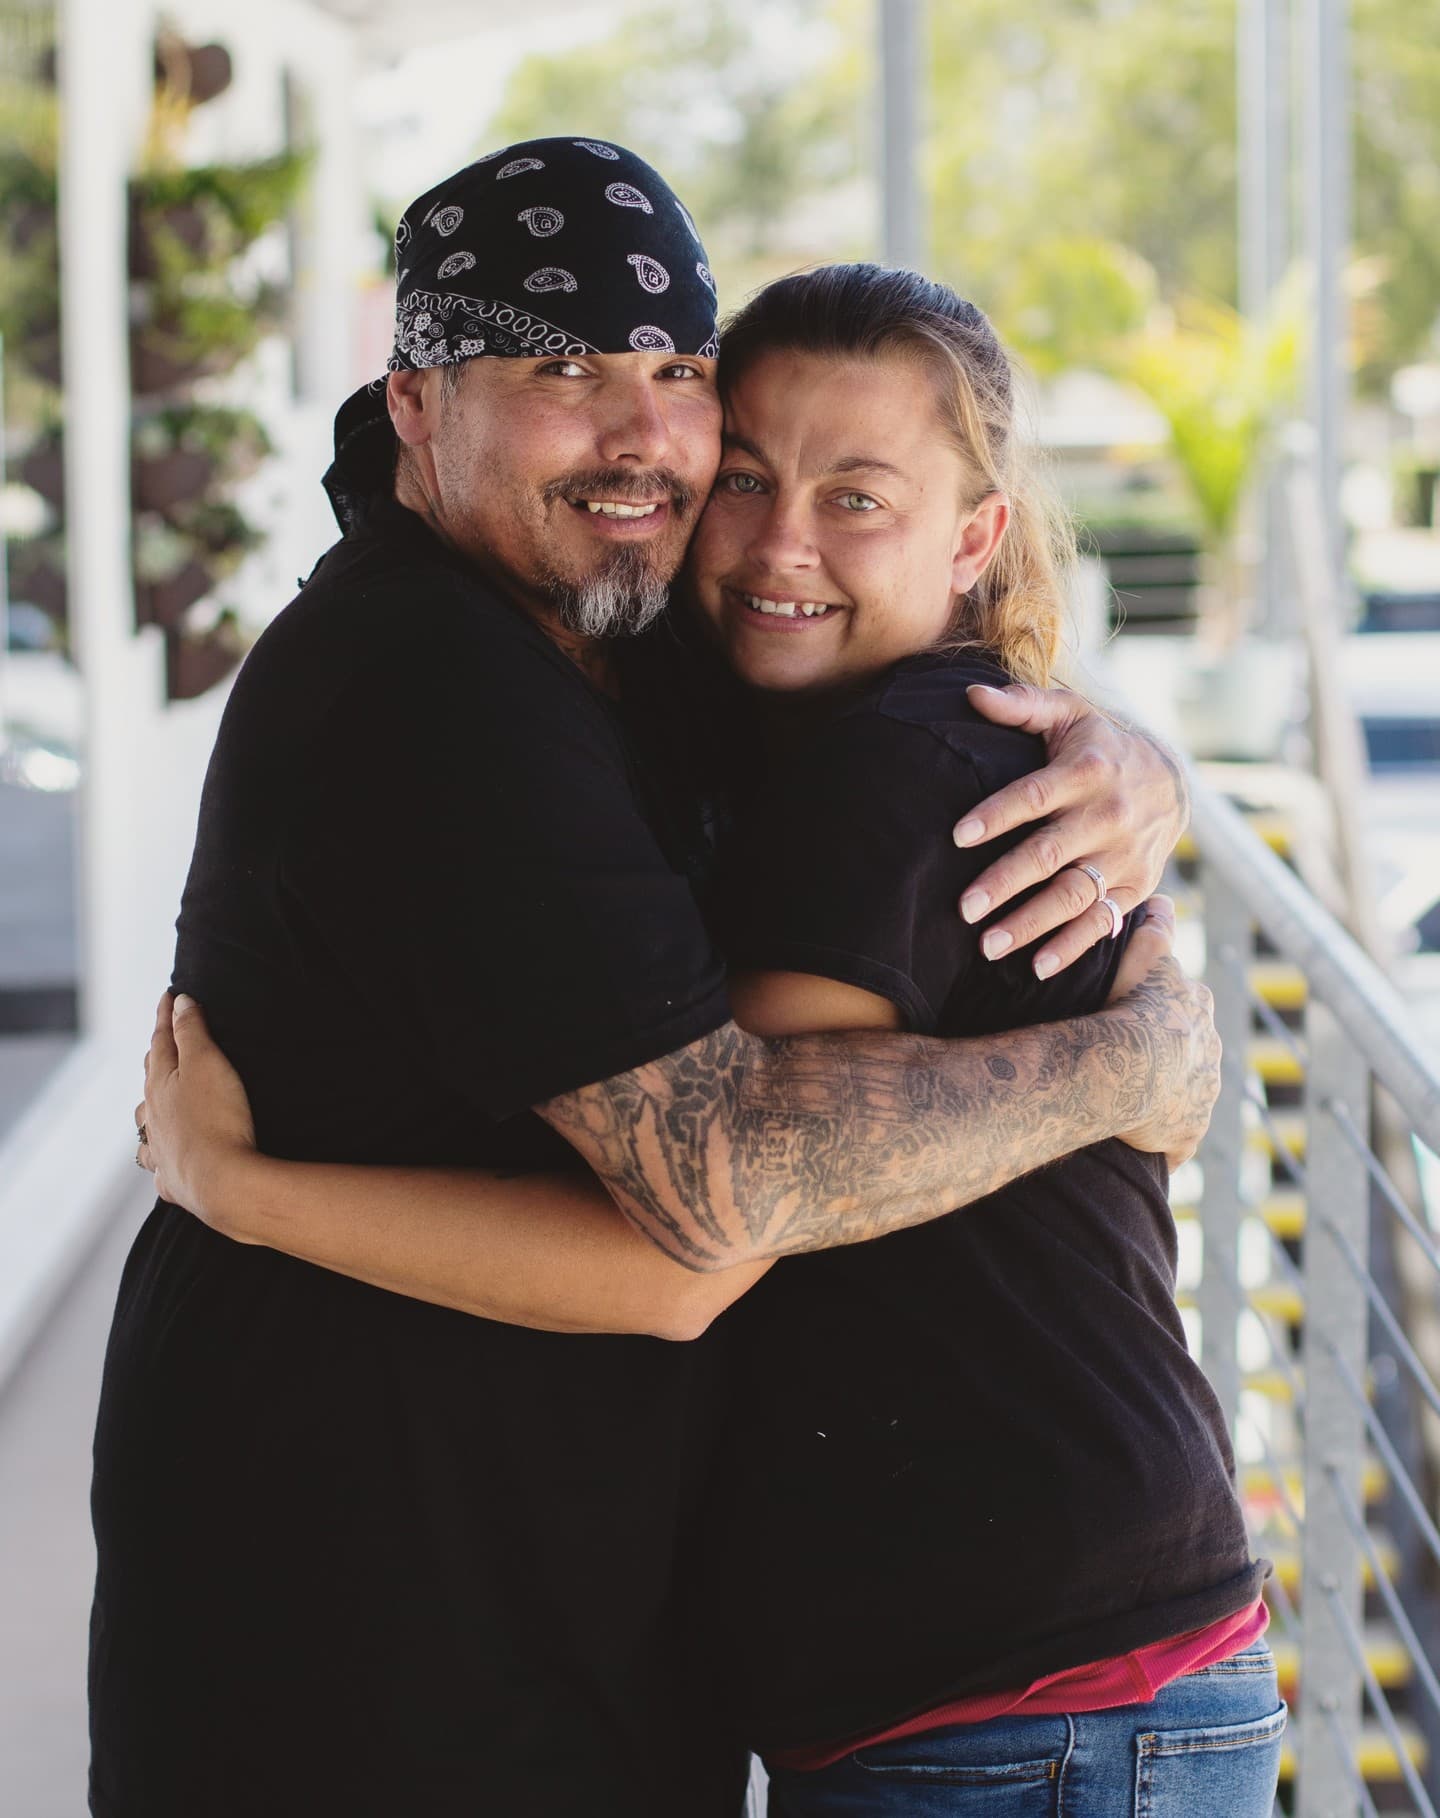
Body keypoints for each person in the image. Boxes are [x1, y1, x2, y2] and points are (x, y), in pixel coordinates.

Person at [103, 141, 1213, 1818]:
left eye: (678, 370)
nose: (640, 432)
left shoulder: (617, 642)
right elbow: (712, 1210)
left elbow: (878, 659)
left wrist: (1130, 757)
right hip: (375, 1628)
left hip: (574, 1617)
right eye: (562, 369)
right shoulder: (437, 682)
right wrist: (1131, 1063)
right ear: (416, 404)